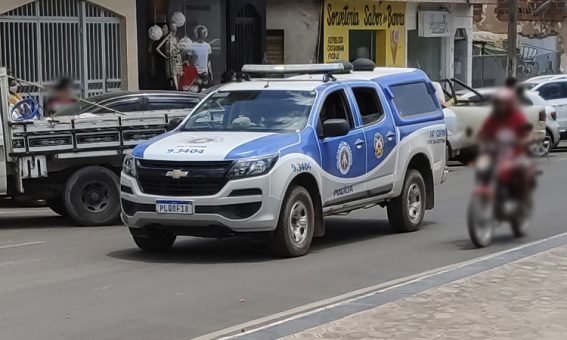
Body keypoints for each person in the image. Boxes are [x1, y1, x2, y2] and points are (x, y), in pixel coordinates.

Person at [478, 88, 534, 206]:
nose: (500, 106)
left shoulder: (517, 117)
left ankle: (522, 200)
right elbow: (482, 134)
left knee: (522, 172)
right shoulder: (492, 120)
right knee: (483, 166)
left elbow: (527, 135)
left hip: (516, 154)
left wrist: (522, 141)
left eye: (502, 103)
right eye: (498, 103)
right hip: (497, 155)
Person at [187, 25, 212, 91]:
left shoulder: (207, 46)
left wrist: (210, 73)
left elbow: (208, 60)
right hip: (195, 72)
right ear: (197, 34)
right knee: (195, 90)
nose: (202, 35)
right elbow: (189, 60)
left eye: (204, 33)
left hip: (205, 72)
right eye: (201, 33)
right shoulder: (192, 46)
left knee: (204, 90)